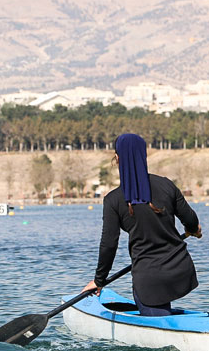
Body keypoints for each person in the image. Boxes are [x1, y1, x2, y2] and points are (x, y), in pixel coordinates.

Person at [83, 133, 202, 316]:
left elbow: (109, 245)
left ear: (117, 158)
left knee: (159, 327)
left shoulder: (113, 200)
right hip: (181, 270)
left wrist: (99, 280)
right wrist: (193, 230)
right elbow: (191, 220)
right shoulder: (166, 185)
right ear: (143, 156)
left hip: (149, 280)